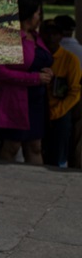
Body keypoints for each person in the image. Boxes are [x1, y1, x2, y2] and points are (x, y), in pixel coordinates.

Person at [0, 0, 52, 164]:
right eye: (38, 14)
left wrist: (46, 72)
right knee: (12, 145)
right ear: (29, 16)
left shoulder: (36, 37)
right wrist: (34, 78)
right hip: (15, 101)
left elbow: (41, 60)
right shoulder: (11, 38)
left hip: (36, 100)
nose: (40, 18)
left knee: (35, 146)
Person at [42, 20, 81, 168]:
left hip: (61, 110)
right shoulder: (38, 56)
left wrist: (58, 111)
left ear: (61, 36)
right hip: (40, 108)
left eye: (55, 34)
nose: (51, 37)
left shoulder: (70, 60)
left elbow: (75, 91)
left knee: (59, 146)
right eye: (47, 33)